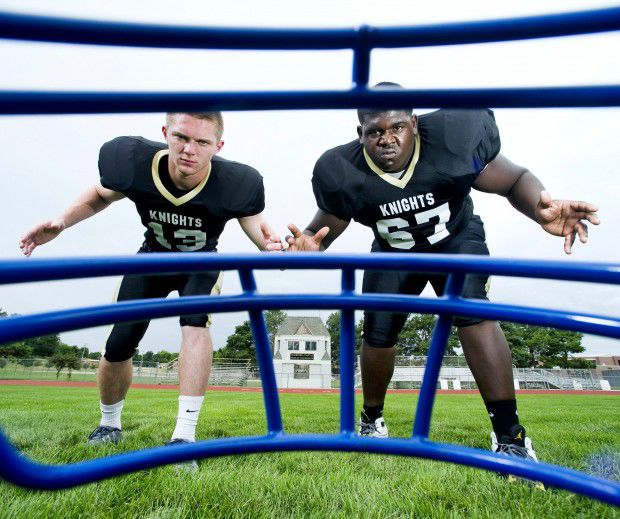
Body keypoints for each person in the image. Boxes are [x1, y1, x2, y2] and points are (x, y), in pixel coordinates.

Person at [285, 85, 599, 465]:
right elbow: (331, 220)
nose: (387, 139)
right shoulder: (342, 170)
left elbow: (513, 179)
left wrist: (540, 208)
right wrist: (310, 242)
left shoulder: (451, 141)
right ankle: (372, 419)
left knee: (472, 311)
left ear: (414, 124)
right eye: (375, 131)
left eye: (397, 127)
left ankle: (509, 435)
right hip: (393, 253)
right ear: (360, 134)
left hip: (454, 239)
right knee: (378, 331)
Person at [20, 112, 282, 461]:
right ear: (165, 133)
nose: (190, 149)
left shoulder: (235, 182)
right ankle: (109, 425)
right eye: (181, 138)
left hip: (201, 262)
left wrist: (273, 246)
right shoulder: (135, 164)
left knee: (194, 326)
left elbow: (257, 225)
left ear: (217, 146)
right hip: (151, 258)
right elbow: (101, 194)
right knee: (119, 341)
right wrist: (62, 222)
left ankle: (183, 437)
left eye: (202, 142)